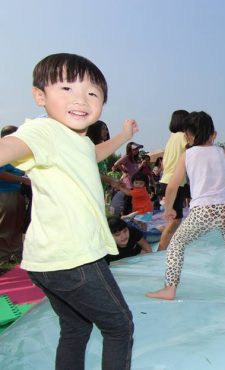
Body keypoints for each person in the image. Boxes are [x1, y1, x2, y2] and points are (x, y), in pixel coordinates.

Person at [0, 53, 135, 369]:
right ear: (39, 95)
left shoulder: (78, 141)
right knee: (119, 326)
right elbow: (8, 148)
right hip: (74, 258)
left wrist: (125, 136)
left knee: (75, 326)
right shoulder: (44, 132)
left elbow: (93, 154)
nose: (81, 99)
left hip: (45, 261)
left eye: (92, 93)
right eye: (66, 88)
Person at [146, 111, 225, 301]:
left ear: (188, 136)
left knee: (177, 243)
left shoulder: (187, 155)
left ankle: (169, 288)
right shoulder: (222, 152)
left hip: (203, 209)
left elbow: (173, 186)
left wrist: (168, 208)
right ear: (213, 134)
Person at [157, 110, 192, 251]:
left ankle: (165, 244)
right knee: (175, 220)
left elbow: (165, 163)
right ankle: (161, 249)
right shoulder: (183, 136)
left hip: (166, 179)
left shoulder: (171, 138)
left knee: (174, 218)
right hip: (174, 181)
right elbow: (193, 146)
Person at [0, 125, 30, 263]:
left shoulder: (16, 153)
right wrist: (22, 179)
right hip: (5, 192)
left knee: (17, 224)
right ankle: (3, 255)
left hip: (18, 191)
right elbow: (2, 174)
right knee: (5, 224)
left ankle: (15, 252)